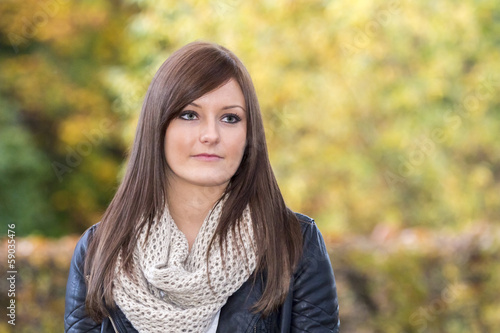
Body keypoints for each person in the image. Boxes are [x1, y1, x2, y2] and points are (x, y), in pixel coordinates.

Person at [64, 41, 340, 333]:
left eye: (230, 118)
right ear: (157, 126)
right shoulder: (99, 251)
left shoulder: (294, 243)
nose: (211, 135)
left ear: (249, 135)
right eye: (189, 115)